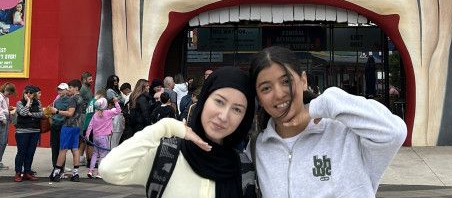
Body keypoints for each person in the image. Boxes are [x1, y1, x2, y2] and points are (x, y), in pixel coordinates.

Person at [250, 46, 406, 198]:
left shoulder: (346, 132)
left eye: (286, 81)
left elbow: (394, 132)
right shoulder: (257, 148)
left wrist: (324, 105)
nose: (278, 94)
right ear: (259, 99)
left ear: (303, 81)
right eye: (266, 88)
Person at [99, 66, 257, 198]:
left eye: (237, 109)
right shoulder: (167, 154)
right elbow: (110, 169)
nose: (223, 116)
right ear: (203, 100)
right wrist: (166, 126)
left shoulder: (242, 166)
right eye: (219, 101)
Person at [50, 79, 85, 182]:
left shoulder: (72, 99)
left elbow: (70, 113)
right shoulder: (81, 98)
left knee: (63, 149)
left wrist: (56, 111)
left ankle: (56, 173)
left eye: (70, 87)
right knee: (75, 149)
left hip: (68, 126)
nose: (69, 89)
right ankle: (76, 174)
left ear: (76, 88)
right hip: (77, 126)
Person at [13, 85, 45, 182]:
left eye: (30, 93)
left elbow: (42, 114)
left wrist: (32, 114)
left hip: (35, 131)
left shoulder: (38, 102)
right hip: (22, 131)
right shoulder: (20, 103)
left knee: (30, 153)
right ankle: (18, 173)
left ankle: (27, 172)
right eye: (26, 92)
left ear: (34, 94)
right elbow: (23, 113)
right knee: (21, 152)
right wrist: (28, 102)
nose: (28, 94)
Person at [85, 96, 122, 178]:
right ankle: (99, 173)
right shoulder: (108, 113)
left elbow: (90, 125)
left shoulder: (95, 114)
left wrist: (87, 135)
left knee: (95, 154)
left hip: (95, 137)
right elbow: (119, 111)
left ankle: (90, 171)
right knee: (102, 155)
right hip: (104, 137)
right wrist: (116, 102)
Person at [0, 83, 16, 171]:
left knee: (4, 141)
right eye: (9, 93)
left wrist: (7, 109)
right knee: (0, 141)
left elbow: (2, 108)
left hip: (5, 118)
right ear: (5, 90)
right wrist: (3, 118)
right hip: (1, 120)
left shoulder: (5, 97)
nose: (9, 95)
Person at [49, 82, 69, 167]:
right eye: (59, 89)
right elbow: (53, 113)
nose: (59, 91)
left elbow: (69, 114)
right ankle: (55, 167)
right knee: (54, 147)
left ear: (66, 90)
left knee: (62, 148)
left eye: (61, 89)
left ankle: (61, 168)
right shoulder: (56, 101)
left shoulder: (70, 101)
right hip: (55, 126)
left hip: (63, 126)